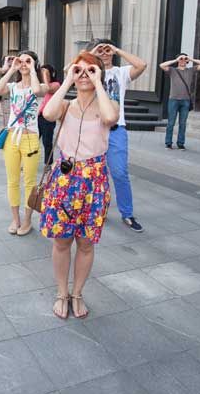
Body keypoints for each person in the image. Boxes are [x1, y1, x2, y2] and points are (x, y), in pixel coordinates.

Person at [41, 52, 119, 319]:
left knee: (86, 243)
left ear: (100, 73)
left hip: (94, 181)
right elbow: (48, 113)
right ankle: (62, 293)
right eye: (79, 70)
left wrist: (98, 83)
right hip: (65, 179)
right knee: (62, 241)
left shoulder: (109, 104)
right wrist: (67, 81)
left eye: (91, 70)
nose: (84, 74)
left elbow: (110, 119)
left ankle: (78, 293)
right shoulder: (66, 105)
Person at [88, 39, 147, 233]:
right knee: (94, 174)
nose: (104, 53)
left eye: (107, 50)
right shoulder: (89, 71)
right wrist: (92, 52)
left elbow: (142, 65)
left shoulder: (121, 73)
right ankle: (96, 209)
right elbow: (68, 69)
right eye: (101, 50)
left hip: (116, 129)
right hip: (93, 128)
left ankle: (127, 213)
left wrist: (117, 50)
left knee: (120, 173)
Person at [0, 51, 48, 236]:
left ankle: (27, 221)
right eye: (21, 61)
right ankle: (15, 219)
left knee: (30, 182)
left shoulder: (40, 85)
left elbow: (38, 91)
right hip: (12, 138)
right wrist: (11, 68)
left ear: (34, 63)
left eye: (28, 61)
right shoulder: (13, 86)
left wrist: (32, 68)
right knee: (12, 181)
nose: (23, 64)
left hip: (31, 138)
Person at [160, 54, 200, 150]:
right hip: (173, 100)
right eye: (181, 59)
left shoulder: (191, 70)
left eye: (184, 59)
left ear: (187, 61)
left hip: (185, 101)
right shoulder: (173, 71)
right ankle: (168, 143)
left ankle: (180, 143)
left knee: (183, 123)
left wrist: (190, 58)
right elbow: (162, 65)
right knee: (171, 123)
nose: (182, 60)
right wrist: (175, 59)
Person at [38, 64, 61, 169]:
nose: (43, 74)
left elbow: (48, 89)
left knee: (47, 142)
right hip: (40, 116)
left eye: (46, 72)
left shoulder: (56, 84)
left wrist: (46, 75)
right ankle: (28, 160)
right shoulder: (44, 84)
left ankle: (48, 163)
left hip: (49, 118)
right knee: (33, 139)